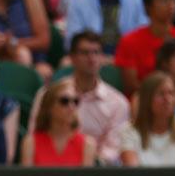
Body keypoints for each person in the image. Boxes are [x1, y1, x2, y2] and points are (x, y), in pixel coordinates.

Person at [29, 31, 130, 165]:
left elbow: (112, 150)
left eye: (96, 52)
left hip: (97, 175)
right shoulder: (48, 94)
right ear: (72, 57)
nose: (91, 58)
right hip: (50, 165)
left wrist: (86, 160)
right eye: (85, 52)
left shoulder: (118, 103)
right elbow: (36, 133)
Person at [119, 71, 175, 166]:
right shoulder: (128, 131)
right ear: (147, 100)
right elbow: (134, 175)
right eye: (161, 94)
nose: (168, 99)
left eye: (171, 93)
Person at [22, 79, 96, 166]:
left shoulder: (87, 145)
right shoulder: (31, 143)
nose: (71, 106)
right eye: (64, 101)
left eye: (75, 101)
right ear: (49, 106)